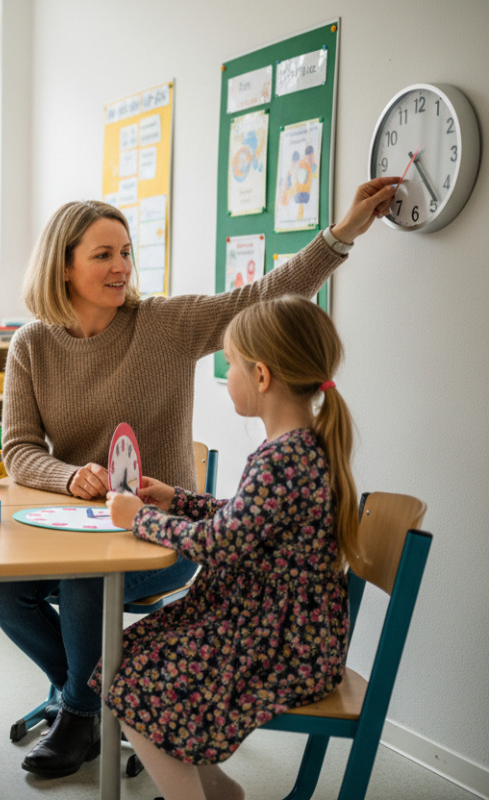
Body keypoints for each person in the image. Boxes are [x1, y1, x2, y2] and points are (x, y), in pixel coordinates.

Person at [0, 175, 398, 778]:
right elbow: (19, 450)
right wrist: (71, 476)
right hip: (73, 526)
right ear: (63, 266)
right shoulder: (31, 345)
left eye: (126, 252)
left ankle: (79, 711)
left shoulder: (164, 324)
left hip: (162, 538)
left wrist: (342, 234)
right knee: (4, 591)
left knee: (84, 584)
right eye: (103, 254)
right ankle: (93, 697)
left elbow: (268, 295)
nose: (121, 266)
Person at [99, 295, 357, 800]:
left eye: (230, 363)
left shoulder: (284, 457)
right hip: (281, 626)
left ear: (261, 376)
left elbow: (218, 544)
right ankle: (218, 792)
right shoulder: (299, 446)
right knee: (125, 657)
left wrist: (141, 518)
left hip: (282, 641)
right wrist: (177, 498)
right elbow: (244, 518)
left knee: (133, 683)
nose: (227, 374)